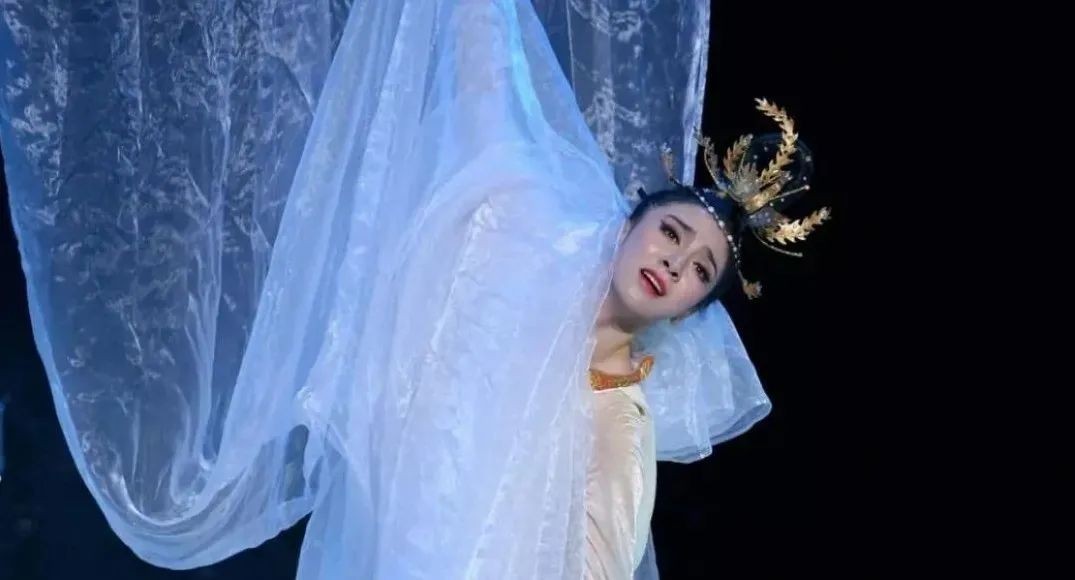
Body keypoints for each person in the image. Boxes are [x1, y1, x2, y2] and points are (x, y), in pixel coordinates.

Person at [0, 0, 827, 578]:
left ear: (689, 312)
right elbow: (489, 84)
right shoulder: (530, 232)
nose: (673, 265)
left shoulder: (618, 418)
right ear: (627, 223)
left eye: (698, 273)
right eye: (671, 234)